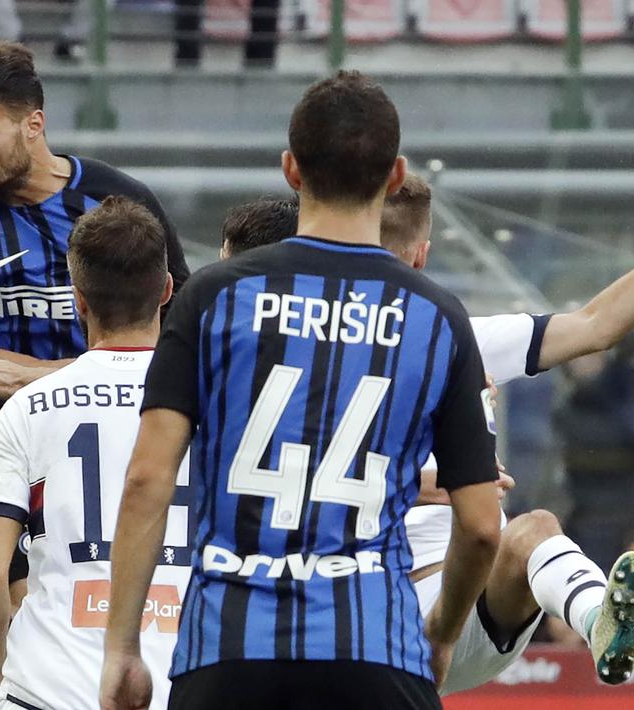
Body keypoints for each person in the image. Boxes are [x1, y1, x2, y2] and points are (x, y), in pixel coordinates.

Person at [217, 164, 634, 691]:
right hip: (373, 609)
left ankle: (598, 622)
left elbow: (594, 327)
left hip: (468, 603)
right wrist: (427, 484)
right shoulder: (301, 357)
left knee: (534, 529)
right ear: (422, 254)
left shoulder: (457, 335)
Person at [102, 72, 503, 710]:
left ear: (291, 170)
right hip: (376, 651)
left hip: (227, 651)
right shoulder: (437, 317)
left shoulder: (212, 296)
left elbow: (147, 480)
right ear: (396, 176)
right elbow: (482, 525)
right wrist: (443, 634)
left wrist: (121, 651)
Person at [0, 38, 189, 710]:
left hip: (112, 438)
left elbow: (175, 336)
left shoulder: (119, 200)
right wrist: (86, 373)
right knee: (30, 615)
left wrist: (48, 377)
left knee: (70, 618)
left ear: (31, 123)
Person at [0, 197, 182, 709]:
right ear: (168, 290)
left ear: (78, 300)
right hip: (178, 686)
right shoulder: (212, 405)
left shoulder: (28, 408)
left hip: (46, 692)